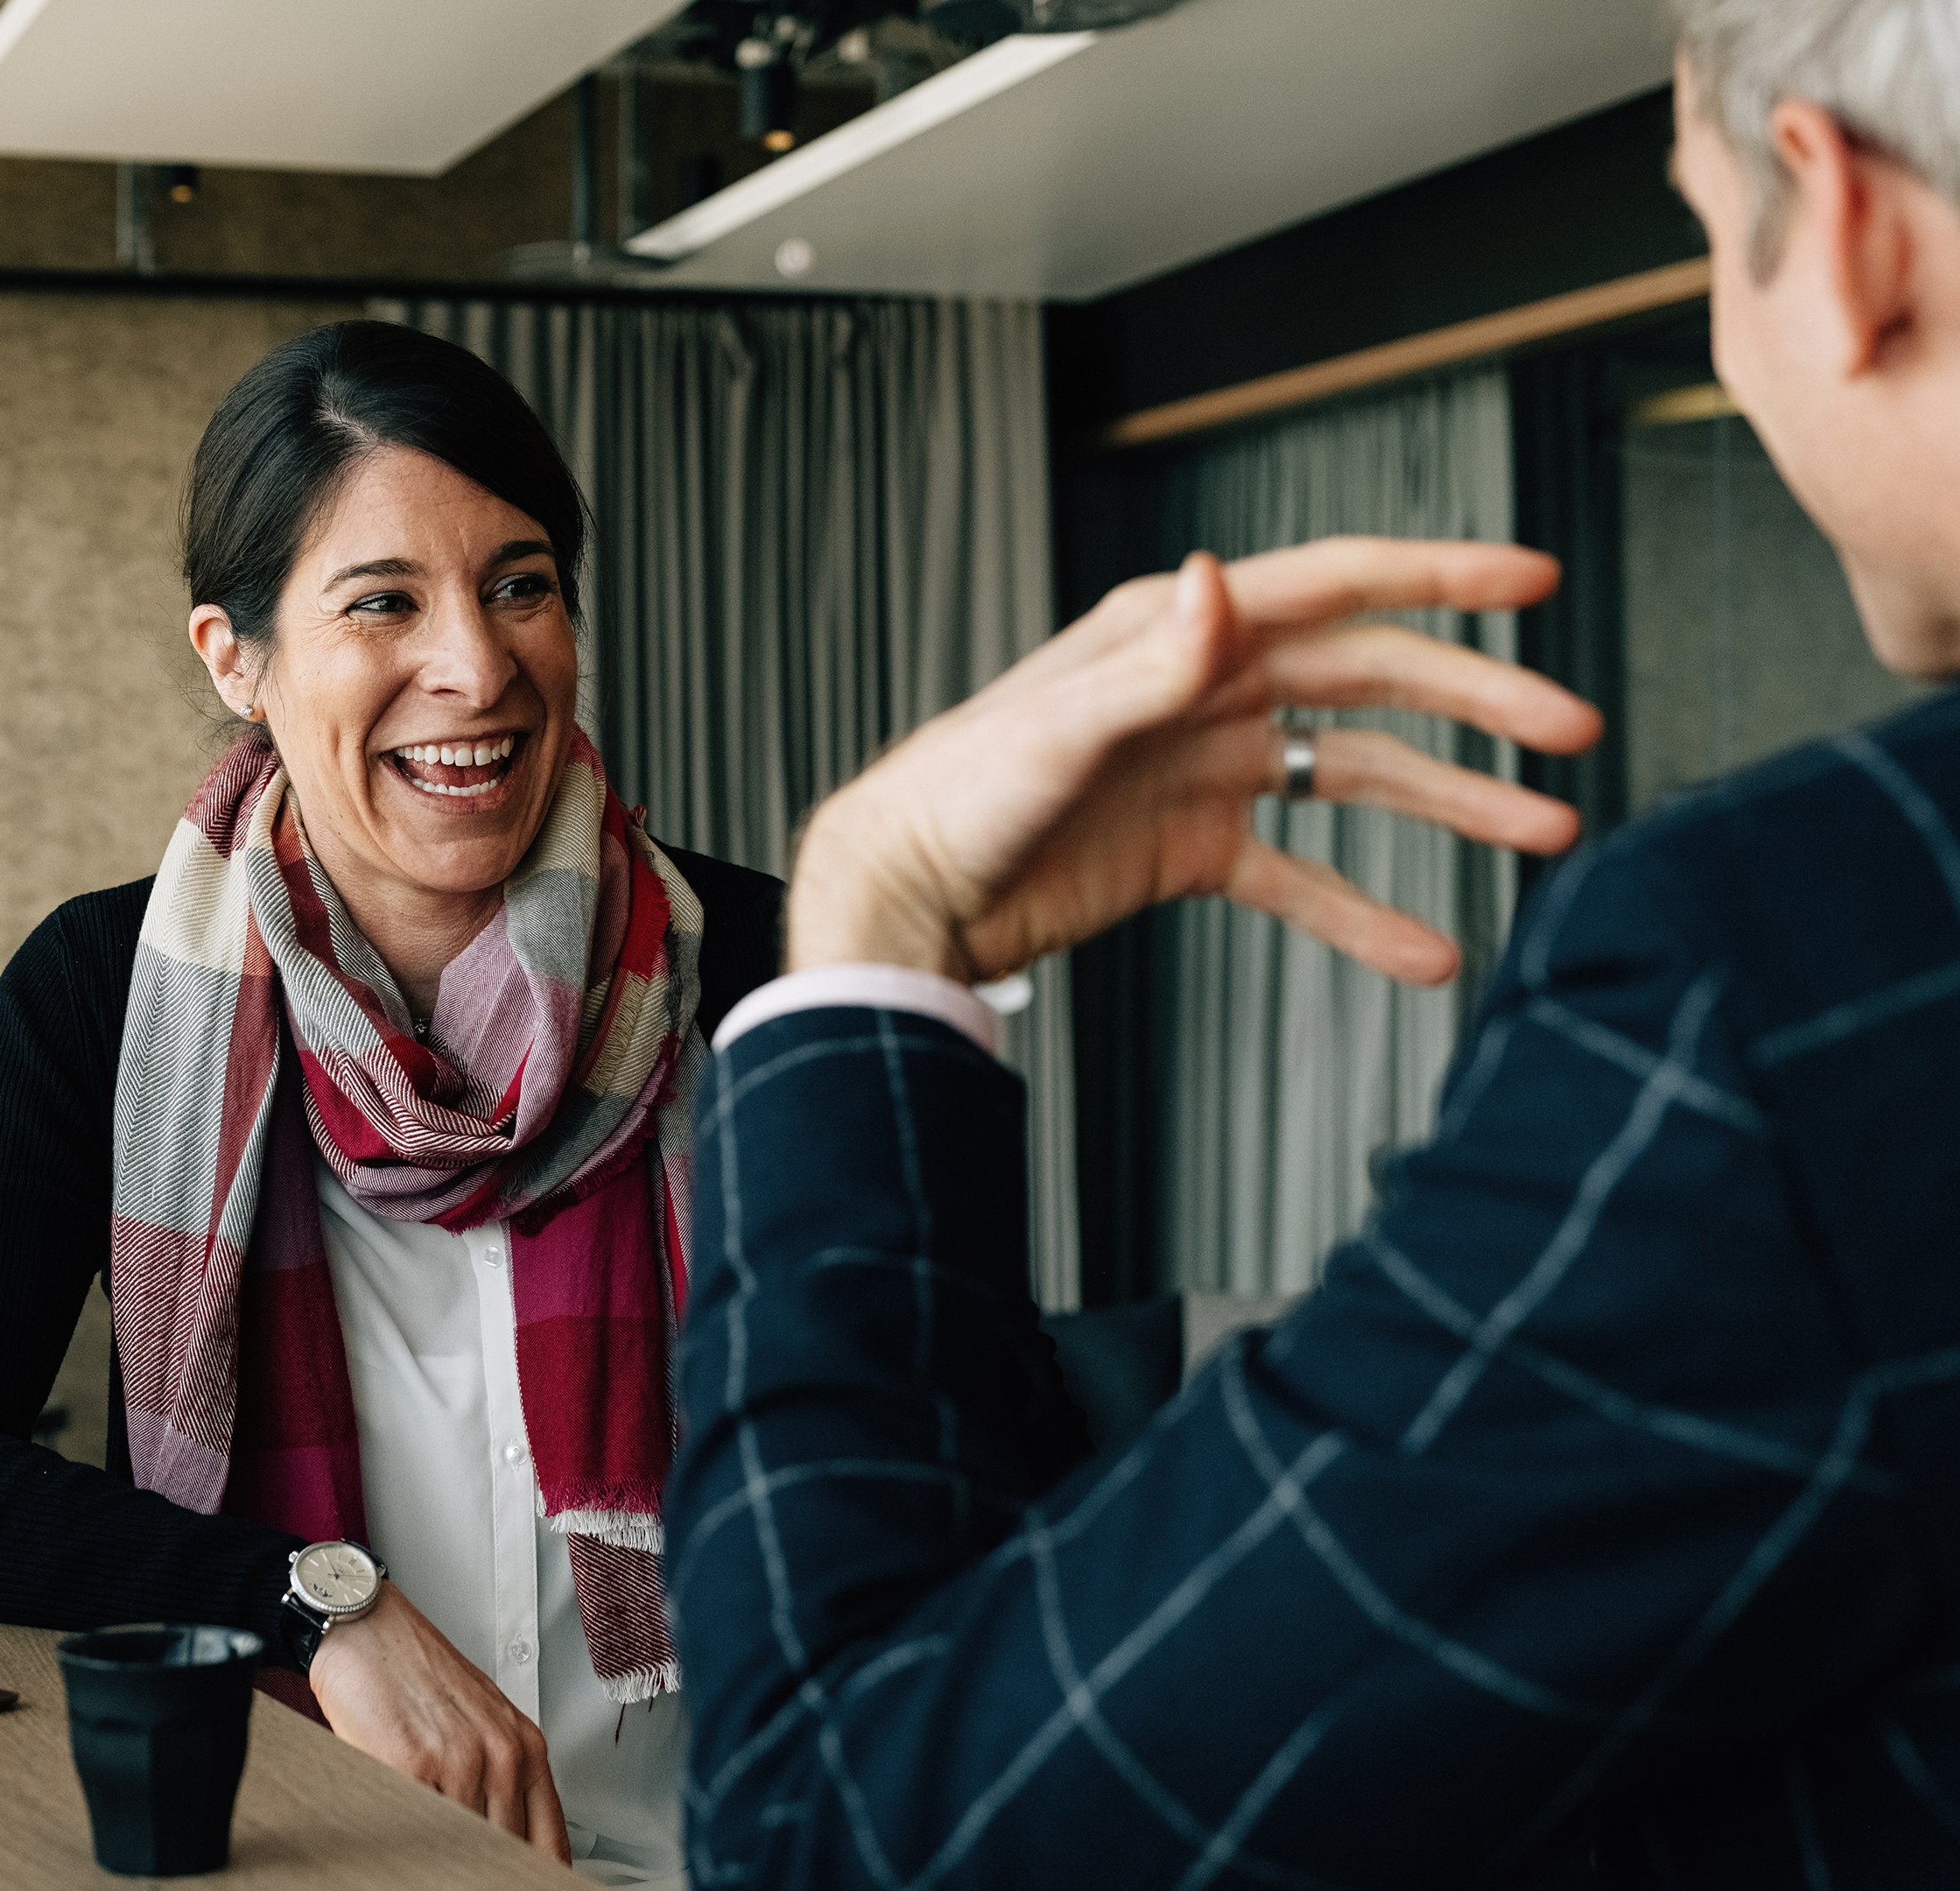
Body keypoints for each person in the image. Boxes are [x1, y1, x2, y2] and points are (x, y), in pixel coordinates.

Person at [666, 1, 1960, 1883]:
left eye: (1697, 235)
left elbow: (839, 1835)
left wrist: (872, 900)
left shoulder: (1776, 991)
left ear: (1830, 218)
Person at [0, 320, 782, 1885]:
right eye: (384, 602)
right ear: (237, 658)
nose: (474, 665)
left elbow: (983, 1460)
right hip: (317, 1852)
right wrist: (316, 1600)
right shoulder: (102, 992)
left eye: (520, 584)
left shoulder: (769, 965)